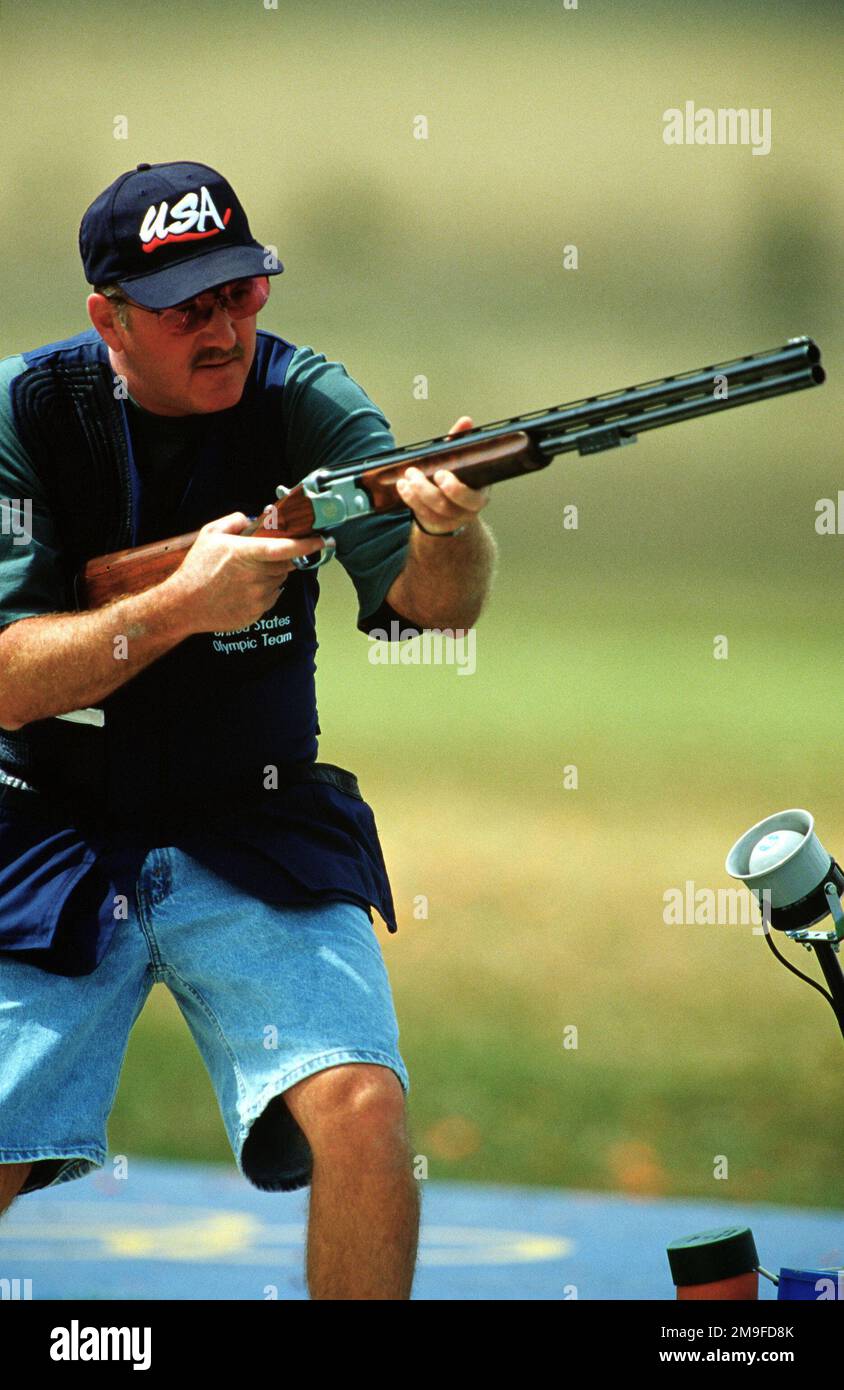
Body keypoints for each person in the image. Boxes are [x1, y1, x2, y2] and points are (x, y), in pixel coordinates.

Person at [0, 160, 494, 1299]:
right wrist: (182, 606)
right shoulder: (27, 415)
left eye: (243, 293)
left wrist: (450, 530)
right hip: (45, 827)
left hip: (254, 814)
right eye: (189, 308)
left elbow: (437, 609)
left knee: (364, 1106)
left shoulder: (306, 400)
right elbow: (10, 681)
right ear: (108, 317)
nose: (225, 328)